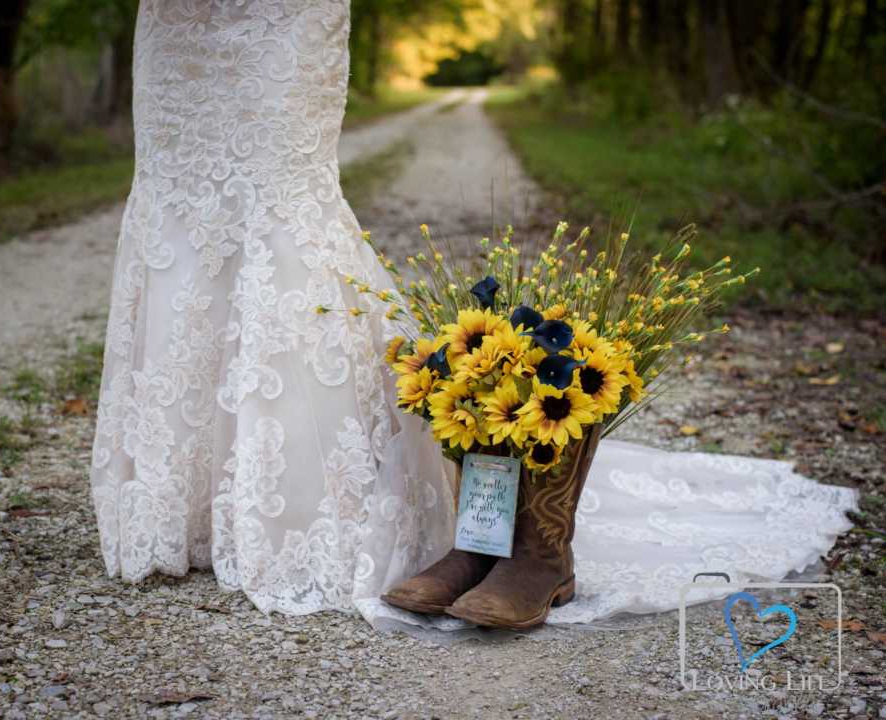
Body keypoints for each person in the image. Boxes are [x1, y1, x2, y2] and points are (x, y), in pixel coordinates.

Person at [91, 0, 858, 633]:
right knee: (177, 211)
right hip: (177, 28)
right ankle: (185, 500)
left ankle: (477, 529)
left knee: (281, 204)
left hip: (276, 23)